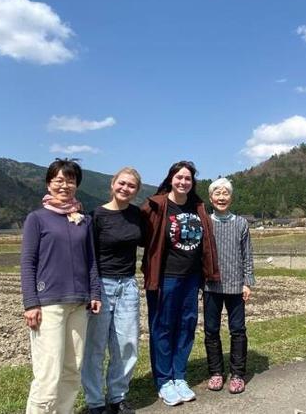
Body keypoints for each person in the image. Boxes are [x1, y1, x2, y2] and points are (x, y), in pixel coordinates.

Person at [21, 159, 102, 414]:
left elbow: (91, 260)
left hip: (79, 304)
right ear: (49, 184)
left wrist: (95, 292)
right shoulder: (37, 219)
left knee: (72, 370)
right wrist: (31, 303)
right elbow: (28, 262)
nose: (64, 185)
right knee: (48, 373)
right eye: (59, 180)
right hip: (49, 304)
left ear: (76, 185)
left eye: (70, 180)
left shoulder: (83, 220)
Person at [141, 161, 221, 406]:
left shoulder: (198, 206)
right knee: (163, 327)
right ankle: (164, 380)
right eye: (179, 177)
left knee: (186, 326)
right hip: (165, 277)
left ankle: (179, 376)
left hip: (191, 278)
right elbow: (134, 226)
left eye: (188, 178)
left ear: (192, 182)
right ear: (170, 179)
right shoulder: (156, 205)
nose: (183, 182)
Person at [81, 167, 144, 414]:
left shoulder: (137, 215)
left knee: (127, 345)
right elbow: (87, 256)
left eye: (131, 186)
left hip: (128, 285)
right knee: (95, 347)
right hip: (101, 285)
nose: (125, 188)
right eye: (122, 183)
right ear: (112, 184)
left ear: (137, 191)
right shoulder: (96, 216)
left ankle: (118, 397)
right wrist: (92, 290)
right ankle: (95, 402)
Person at [202, 178, 255, 394]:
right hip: (210, 286)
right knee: (211, 330)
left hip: (235, 286)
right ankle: (216, 372)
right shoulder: (205, 222)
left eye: (225, 193)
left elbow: (247, 255)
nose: (221, 197)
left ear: (231, 198)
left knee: (238, 330)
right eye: (217, 193)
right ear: (211, 198)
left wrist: (247, 282)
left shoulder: (241, 223)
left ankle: (237, 374)